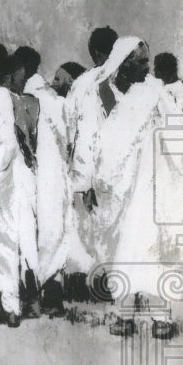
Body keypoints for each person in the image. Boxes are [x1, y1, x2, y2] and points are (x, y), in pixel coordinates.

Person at [91, 37, 183, 336]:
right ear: (125, 62)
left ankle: (159, 318)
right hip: (125, 189)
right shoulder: (109, 93)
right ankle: (125, 314)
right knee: (126, 246)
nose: (147, 66)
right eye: (141, 61)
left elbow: (177, 133)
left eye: (147, 61)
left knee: (151, 246)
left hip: (152, 185)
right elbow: (108, 144)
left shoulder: (152, 92)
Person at [0, 48, 40, 325]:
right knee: (24, 240)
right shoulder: (27, 103)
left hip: (4, 179)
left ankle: (8, 306)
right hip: (25, 177)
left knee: (0, 241)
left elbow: (2, 146)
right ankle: (26, 301)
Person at [63, 25, 119, 299]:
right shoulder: (127, 81)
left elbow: (69, 124)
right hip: (115, 165)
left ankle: (79, 280)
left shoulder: (83, 83)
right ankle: (110, 280)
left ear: (94, 52)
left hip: (85, 163)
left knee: (82, 224)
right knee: (112, 221)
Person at [20, 46, 72, 314]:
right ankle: (51, 293)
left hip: (26, 175)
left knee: (26, 232)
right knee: (54, 231)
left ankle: (28, 296)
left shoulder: (17, 99)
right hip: (54, 177)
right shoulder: (56, 101)